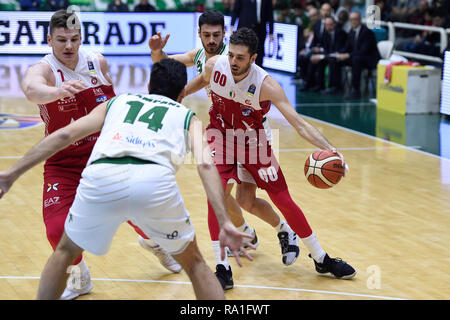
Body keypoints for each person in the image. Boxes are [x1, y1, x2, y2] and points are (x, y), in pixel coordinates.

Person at [0, 58, 254, 300]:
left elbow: (64, 136)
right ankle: (156, 244)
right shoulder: (187, 116)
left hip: (102, 176)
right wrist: (224, 221)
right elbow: (206, 165)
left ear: (147, 86)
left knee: (65, 251)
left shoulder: (118, 102)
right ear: (183, 92)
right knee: (196, 263)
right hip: (154, 183)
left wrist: (12, 174)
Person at [20, 9, 181, 300]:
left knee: (139, 210)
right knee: (57, 230)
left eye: (74, 39)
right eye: (61, 40)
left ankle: (154, 244)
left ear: (81, 38)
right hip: (63, 161)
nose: (68, 46)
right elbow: (32, 89)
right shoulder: (43, 70)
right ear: (49, 40)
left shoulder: (97, 61)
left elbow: (113, 105)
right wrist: (56, 92)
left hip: (104, 153)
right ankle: (80, 276)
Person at [185, 27, 357, 285]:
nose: (233, 61)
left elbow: (300, 124)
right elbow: (201, 80)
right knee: (216, 196)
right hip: (219, 136)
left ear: (253, 58)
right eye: (231, 55)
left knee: (282, 199)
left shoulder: (266, 85)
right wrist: (175, 94)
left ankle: (321, 258)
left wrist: (332, 149)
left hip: (253, 142)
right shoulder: (214, 65)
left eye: (240, 57)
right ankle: (222, 269)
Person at [149, 10, 300, 290]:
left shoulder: (234, 59)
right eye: (206, 35)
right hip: (223, 132)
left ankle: (282, 230)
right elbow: (168, 70)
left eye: (217, 35)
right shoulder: (198, 57)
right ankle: (247, 231)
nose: (212, 40)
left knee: (241, 197)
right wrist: (158, 52)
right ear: (200, 34)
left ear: (224, 34)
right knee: (233, 196)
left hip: (253, 135)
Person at [336, 11, 381, 99]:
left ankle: (356, 90)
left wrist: (348, 55)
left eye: (355, 19)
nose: (353, 22)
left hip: (369, 59)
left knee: (356, 60)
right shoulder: (351, 32)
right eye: (351, 20)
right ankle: (336, 86)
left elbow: (364, 51)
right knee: (336, 59)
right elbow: (347, 47)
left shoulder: (366, 32)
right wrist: (338, 54)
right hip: (357, 57)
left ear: (360, 20)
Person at [231, 0, 274, 67]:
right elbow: (235, 10)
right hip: (244, 28)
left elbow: (270, 14)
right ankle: (242, 69)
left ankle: (259, 72)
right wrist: (232, 25)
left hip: (260, 29)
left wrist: (271, 32)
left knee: (260, 52)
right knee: (242, 50)